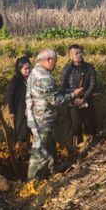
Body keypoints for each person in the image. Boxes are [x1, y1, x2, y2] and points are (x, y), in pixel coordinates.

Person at [26, 48, 84, 181]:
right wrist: (74, 95)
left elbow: (51, 91)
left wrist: (69, 90)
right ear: (48, 60)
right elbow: (55, 100)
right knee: (40, 153)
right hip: (42, 119)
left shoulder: (35, 72)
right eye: (55, 62)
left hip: (39, 118)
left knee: (50, 148)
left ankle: (53, 172)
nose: (56, 65)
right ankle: (31, 181)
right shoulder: (45, 77)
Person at [60, 44, 97, 147]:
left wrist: (83, 99)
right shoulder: (66, 70)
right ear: (70, 56)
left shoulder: (89, 68)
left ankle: (92, 150)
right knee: (76, 130)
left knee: (91, 129)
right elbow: (63, 88)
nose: (79, 55)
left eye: (80, 52)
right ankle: (77, 151)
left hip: (87, 103)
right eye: (76, 53)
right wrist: (74, 100)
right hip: (73, 105)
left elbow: (92, 85)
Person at [7, 57, 32, 143]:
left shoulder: (33, 79)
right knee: (21, 133)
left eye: (29, 68)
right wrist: (12, 111)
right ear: (19, 69)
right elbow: (10, 97)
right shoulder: (15, 81)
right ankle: (21, 151)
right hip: (20, 110)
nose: (28, 71)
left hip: (33, 109)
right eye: (25, 69)